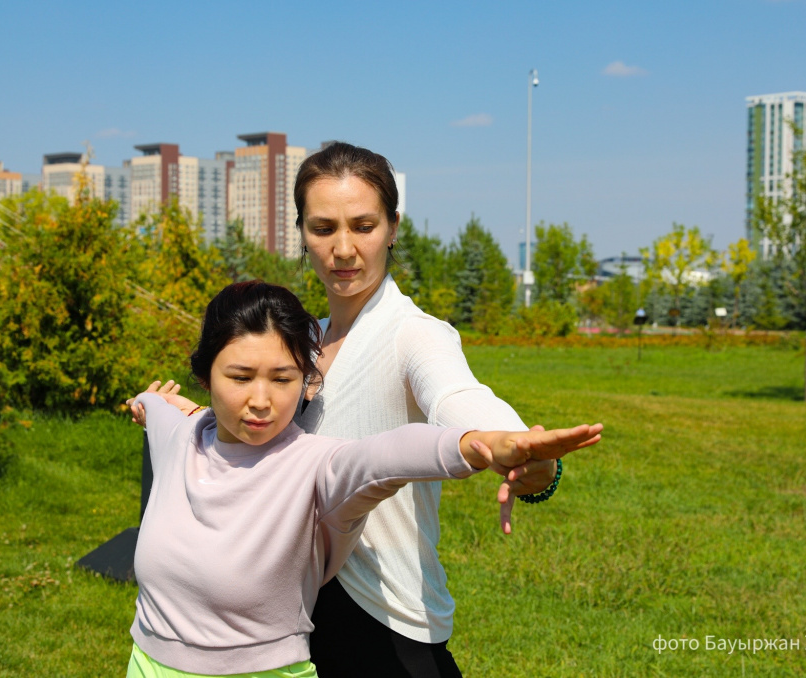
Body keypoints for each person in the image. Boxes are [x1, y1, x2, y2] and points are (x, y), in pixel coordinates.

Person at [151, 142, 581, 676]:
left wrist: (524, 453)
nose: (344, 248)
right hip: (293, 618)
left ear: (394, 227)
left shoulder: (414, 335)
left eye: (364, 225)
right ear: (302, 233)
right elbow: (263, 433)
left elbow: (455, 397)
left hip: (384, 625)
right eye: (324, 228)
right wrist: (188, 419)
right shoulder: (302, 341)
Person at [125, 280, 604, 677]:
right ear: (205, 376)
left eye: (283, 378)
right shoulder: (182, 435)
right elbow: (156, 408)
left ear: (307, 380)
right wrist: (147, 403)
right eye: (241, 377)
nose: (261, 400)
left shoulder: (316, 467)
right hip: (144, 663)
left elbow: (389, 455)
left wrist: (484, 444)